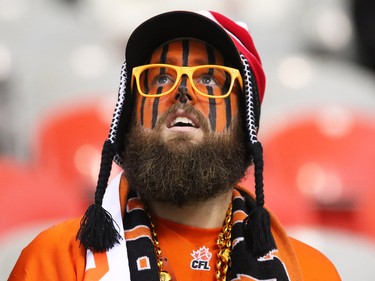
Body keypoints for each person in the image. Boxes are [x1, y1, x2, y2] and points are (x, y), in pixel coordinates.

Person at [9, 11, 341, 281]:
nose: (183, 92)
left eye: (210, 79)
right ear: (129, 118)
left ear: (246, 125)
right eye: (161, 78)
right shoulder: (54, 263)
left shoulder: (311, 273)